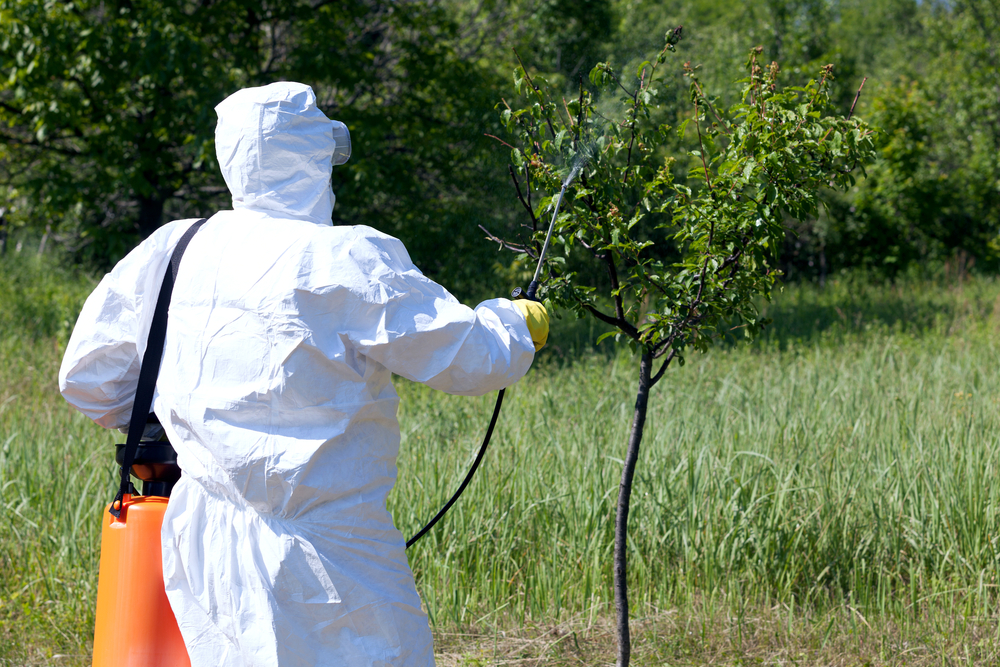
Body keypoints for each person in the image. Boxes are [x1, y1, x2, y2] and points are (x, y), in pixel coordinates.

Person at [59, 81, 549, 666]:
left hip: (204, 541)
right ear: (316, 158)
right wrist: (514, 323)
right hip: (330, 562)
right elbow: (471, 359)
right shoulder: (345, 258)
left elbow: (86, 377)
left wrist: (185, 430)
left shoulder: (175, 246)